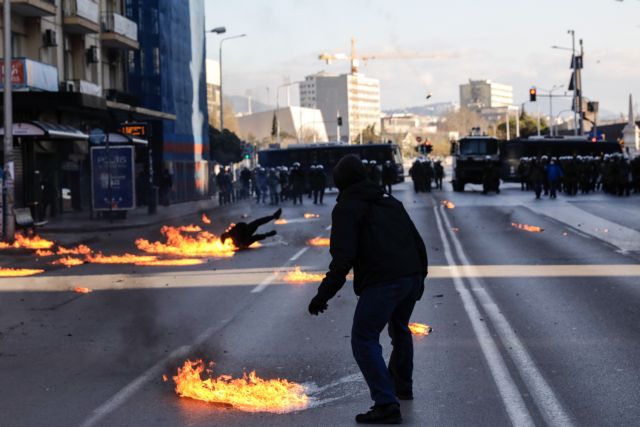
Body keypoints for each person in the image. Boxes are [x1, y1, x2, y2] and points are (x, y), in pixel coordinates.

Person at [308, 154, 428, 425]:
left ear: (340, 181)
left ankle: (386, 403)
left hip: (384, 281)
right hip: (410, 276)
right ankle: (402, 386)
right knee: (400, 329)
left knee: (363, 338)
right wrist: (420, 278)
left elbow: (342, 259)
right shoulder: (388, 200)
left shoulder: (347, 207)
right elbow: (417, 240)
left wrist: (322, 295)